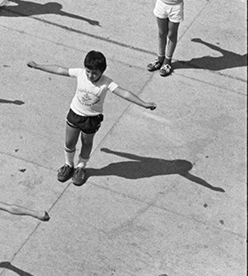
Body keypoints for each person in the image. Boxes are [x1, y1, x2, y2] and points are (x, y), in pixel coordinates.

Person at [27, 51, 156, 186]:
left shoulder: (106, 83)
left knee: (86, 143)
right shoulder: (80, 73)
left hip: (92, 119)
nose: (90, 75)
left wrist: (144, 104)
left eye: (94, 73)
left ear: (102, 71)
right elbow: (59, 69)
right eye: (88, 71)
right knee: (69, 142)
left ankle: (81, 167)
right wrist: (38, 66)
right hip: (75, 113)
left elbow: (124, 93)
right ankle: (68, 165)